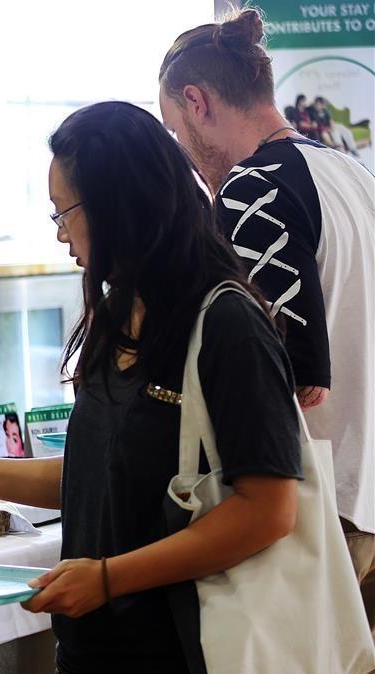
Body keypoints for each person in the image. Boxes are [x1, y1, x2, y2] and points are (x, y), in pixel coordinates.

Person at [0, 102, 304, 672]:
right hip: (94, 649)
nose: (61, 236)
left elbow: (268, 510)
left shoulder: (226, 324)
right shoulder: (117, 314)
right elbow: (96, 471)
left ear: (117, 206)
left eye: (65, 213)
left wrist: (109, 578)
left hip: (190, 649)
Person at [158, 8, 375, 627]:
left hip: (315, 507)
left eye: (176, 132)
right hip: (366, 492)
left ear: (197, 103)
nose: (185, 156)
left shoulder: (255, 188)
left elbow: (268, 375)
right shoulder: (352, 173)